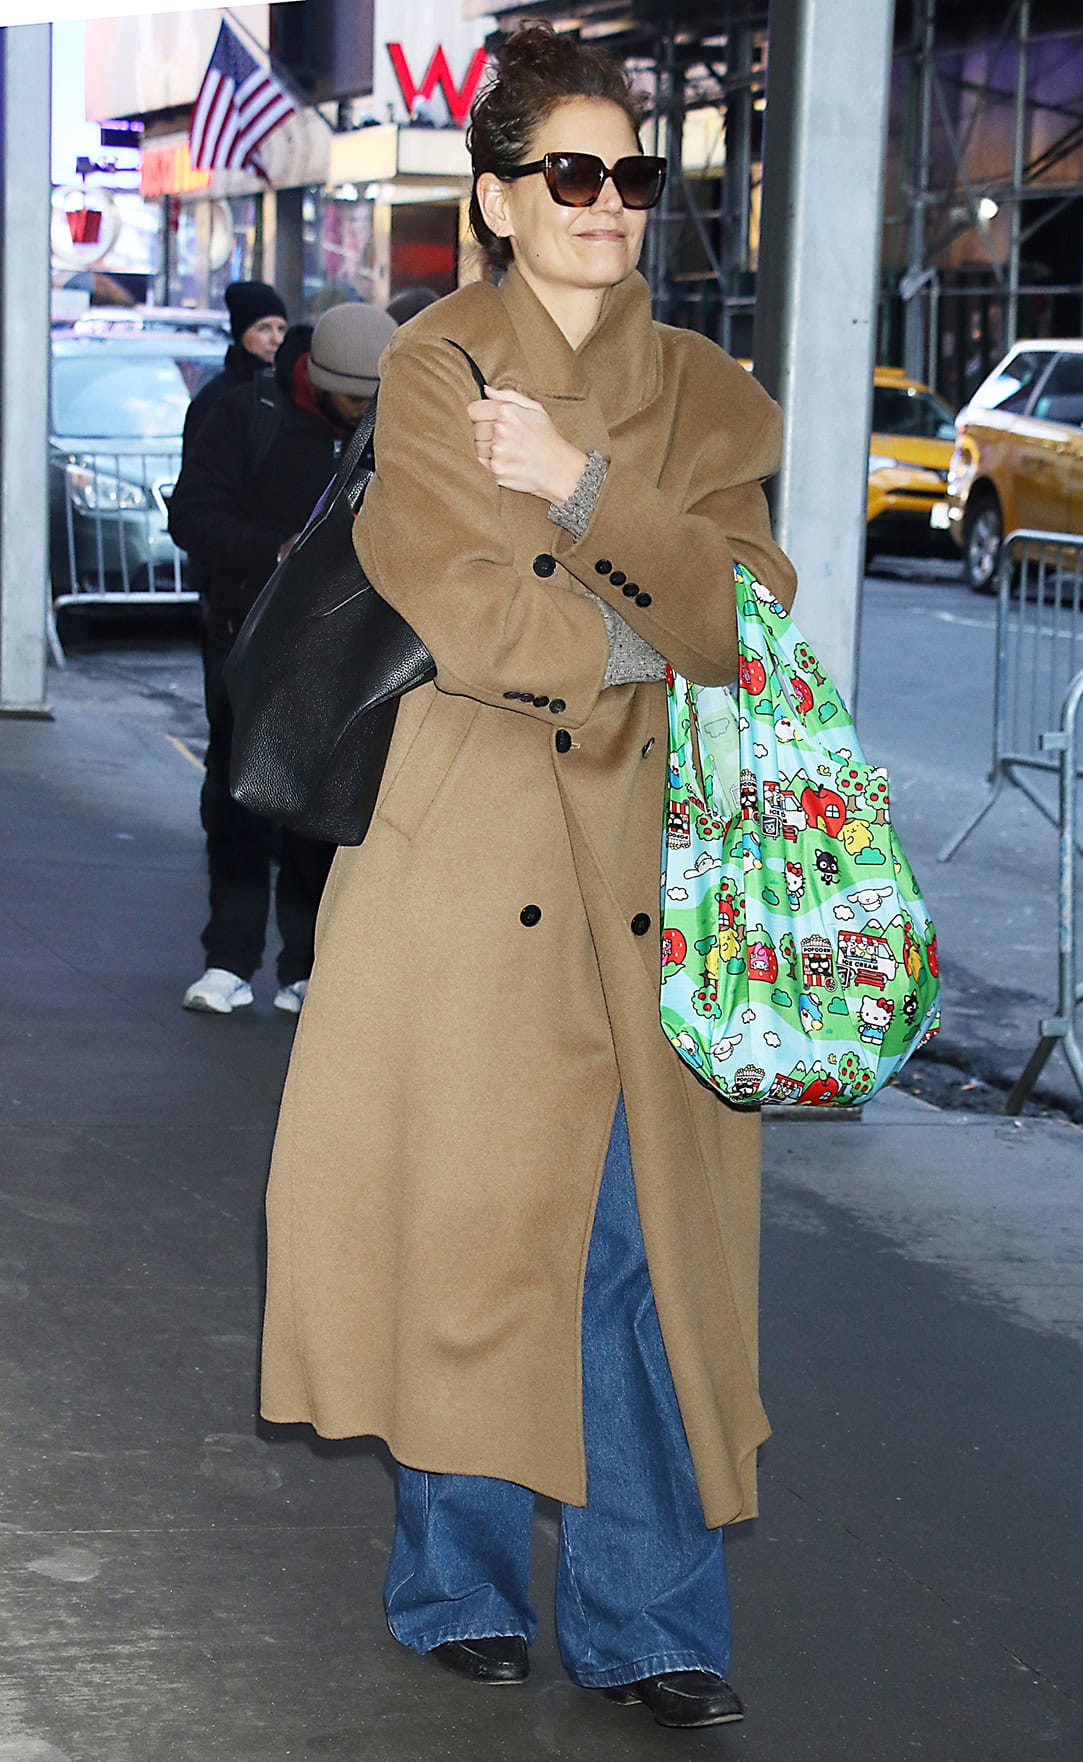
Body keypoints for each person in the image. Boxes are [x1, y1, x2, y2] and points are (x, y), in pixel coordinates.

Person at [258, 23, 796, 1731]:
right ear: (495, 198)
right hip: (461, 876)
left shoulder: (704, 394)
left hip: (650, 884)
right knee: (471, 1234)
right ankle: (461, 1580)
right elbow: (456, 603)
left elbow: (745, 615)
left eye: (635, 176)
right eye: (571, 175)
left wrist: (577, 490)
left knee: (639, 1261)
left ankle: (649, 1616)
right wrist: (637, 626)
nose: (609, 205)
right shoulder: (434, 369)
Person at [168, 301, 397, 1016]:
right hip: (247, 639)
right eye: (354, 400)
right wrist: (277, 551)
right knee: (236, 800)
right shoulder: (246, 413)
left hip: (340, 653)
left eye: (374, 399)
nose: (363, 411)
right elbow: (192, 515)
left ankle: (308, 966)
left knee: (323, 802)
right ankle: (228, 960)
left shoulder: (398, 425)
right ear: (320, 379)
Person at [182, 280, 288, 461]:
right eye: (263, 328)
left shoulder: (287, 389)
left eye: (281, 328)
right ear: (241, 332)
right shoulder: (216, 397)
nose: (276, 339)